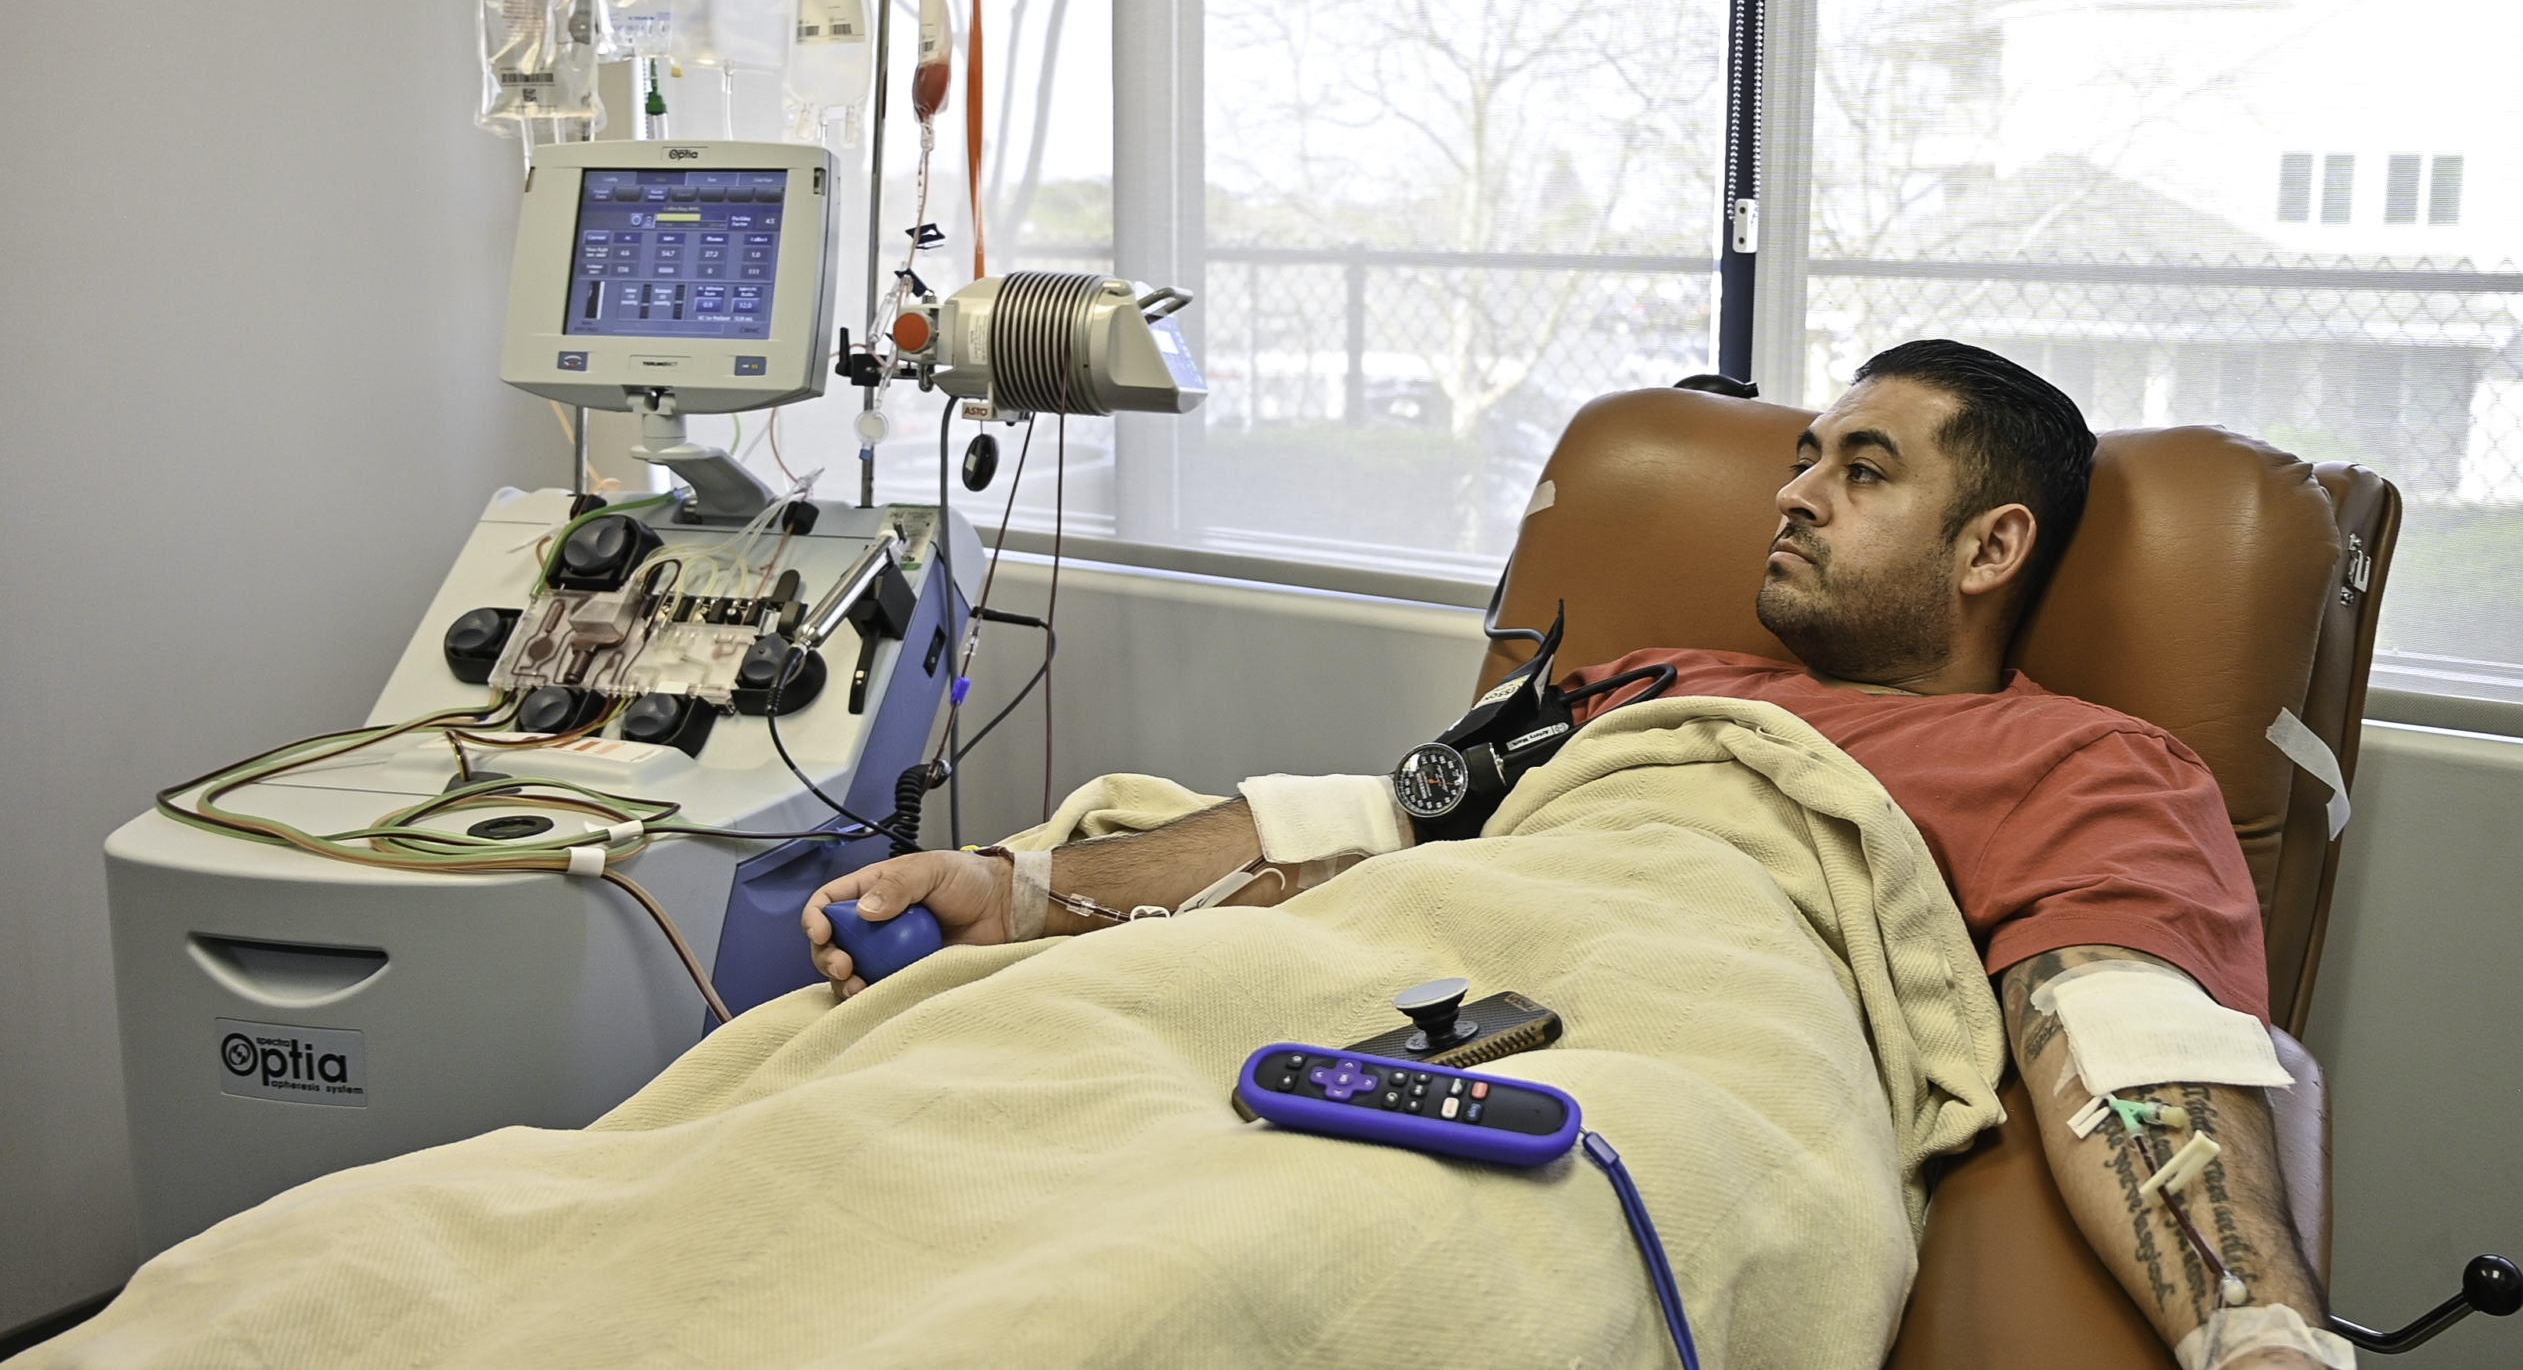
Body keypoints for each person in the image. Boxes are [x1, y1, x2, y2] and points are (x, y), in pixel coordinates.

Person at [804, 340, 2349, 1370]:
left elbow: (2127, 1037)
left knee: (1199, 1287)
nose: (1795, 493)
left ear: (1992, 546)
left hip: (1670, 1045)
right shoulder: (1644, 685)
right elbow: (1364, 829)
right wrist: (1019, 894)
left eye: (1863, 471)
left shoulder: (2084, 761)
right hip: (1385, 968)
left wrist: (2258, 1335)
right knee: (887, 1116)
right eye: (1802, 457)